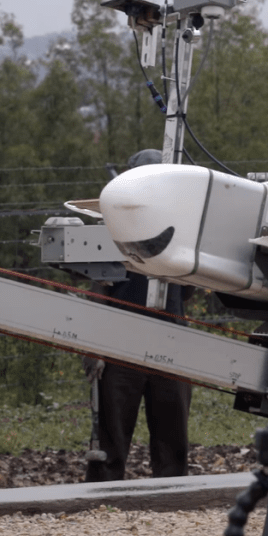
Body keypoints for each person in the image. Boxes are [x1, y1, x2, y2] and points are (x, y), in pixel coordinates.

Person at [84, 149, 193, 482]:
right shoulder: (111, 228)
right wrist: (95, 347)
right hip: (120, 347)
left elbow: (189, 287)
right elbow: (98, 288)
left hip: (170, 344)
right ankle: (102, 496)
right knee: (111, 435)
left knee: (172, 433)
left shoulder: (183, 229)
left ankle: (172, 494)